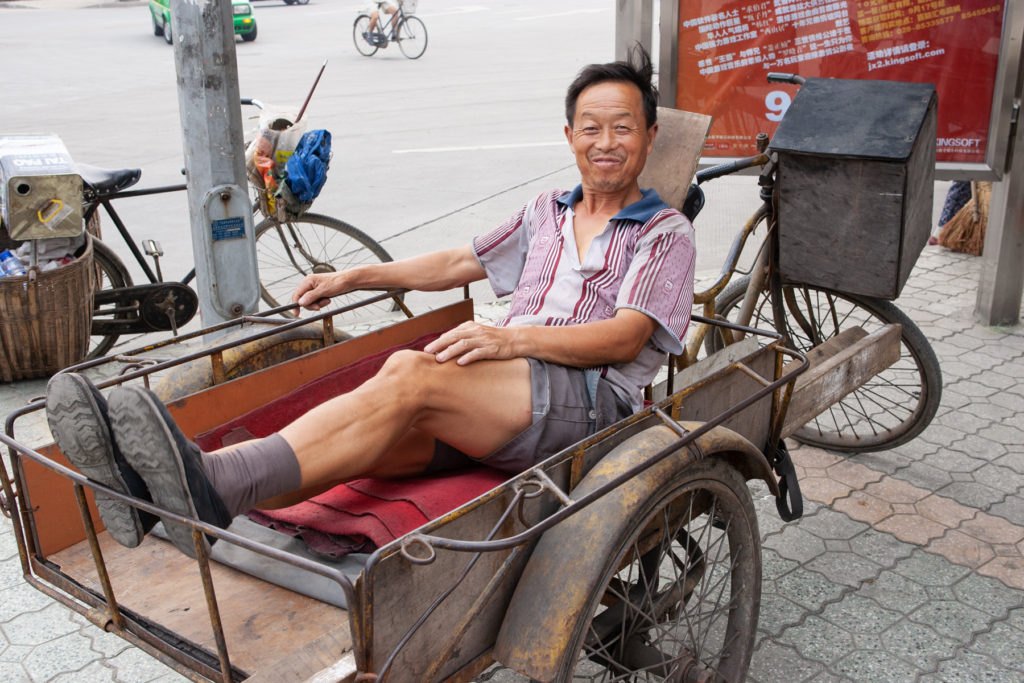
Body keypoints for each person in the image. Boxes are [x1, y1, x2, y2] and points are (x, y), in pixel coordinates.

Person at [44, 47, 696, 559]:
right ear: (569, 134)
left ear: (648, 134)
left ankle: (202, 479)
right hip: (511, 395)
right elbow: (455, 262)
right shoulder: (545, 210)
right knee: (370, 436)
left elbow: (625, 337)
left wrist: (509, 338)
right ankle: (166, 490)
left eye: (621, 128)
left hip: (590, 405)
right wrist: (356, 277)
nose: (605, 143)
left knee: (409, 372)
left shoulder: (665, 231)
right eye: (591, 128)